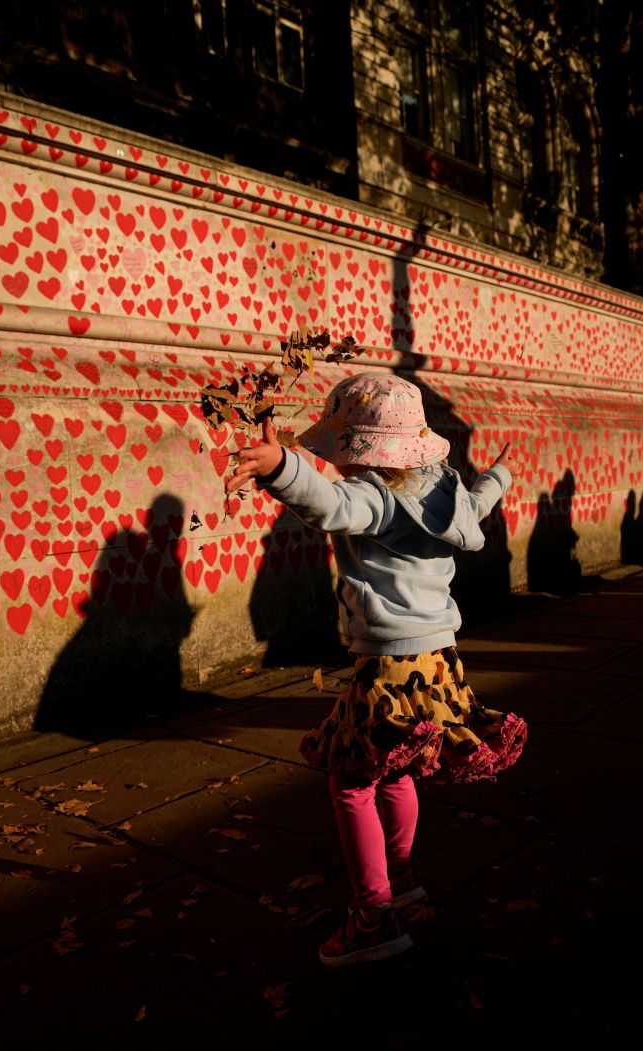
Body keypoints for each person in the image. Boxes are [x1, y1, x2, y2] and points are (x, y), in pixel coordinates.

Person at [224, 372, 528, 967]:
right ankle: (406, 881)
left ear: (360, 450)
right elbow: (481, 500)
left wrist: (282, 466)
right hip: (440, 659)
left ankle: (373, 913)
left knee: (353, 781)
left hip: (388, 666)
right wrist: (500, 474)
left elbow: (330, 504)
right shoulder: (444, 490)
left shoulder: (373, 498)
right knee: (398, 771)